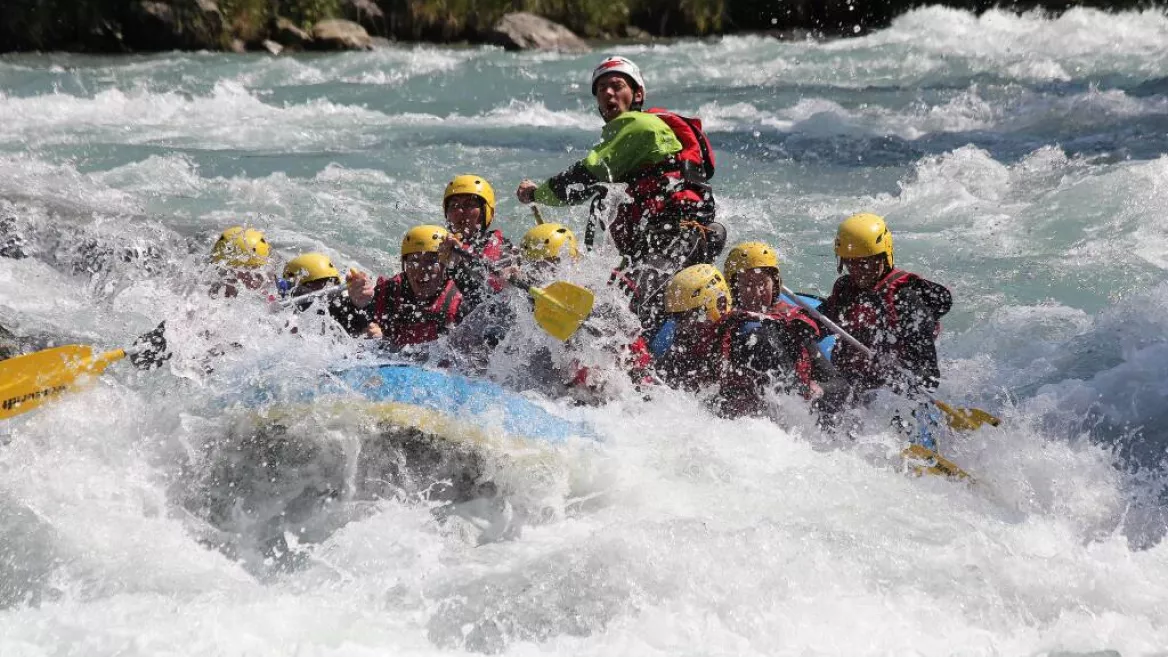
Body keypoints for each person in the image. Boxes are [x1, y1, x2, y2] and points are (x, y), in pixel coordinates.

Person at [516, 55, 723, 328]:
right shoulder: (628, 137)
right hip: (661, 242)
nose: (608, 93)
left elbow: (583, 177)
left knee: (621, 313)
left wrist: (536, 194)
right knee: (612, 299)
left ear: (637, 95)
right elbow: (585, 189)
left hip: (677, 237)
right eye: (602, 89)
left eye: (617, 86)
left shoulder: (640, 125)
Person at [817, 213, 952, 400]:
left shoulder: (905, 300)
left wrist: (905, 381)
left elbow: (927, 376)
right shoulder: (846, 288)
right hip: (850, 379)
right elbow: (823, 321)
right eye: (850, 262)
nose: (856, 270)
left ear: (883, 257)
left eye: (864, 263)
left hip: (887, 393)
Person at [722, 241, 844, 404]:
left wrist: (819, 388)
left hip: (789, 405)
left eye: (762, 283)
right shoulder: (724, 323)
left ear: (775, 285)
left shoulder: (792, 323)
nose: (756, 292)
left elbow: (840, 384)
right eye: (747, 285)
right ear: (734, 288)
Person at [345, 225, 469, 351]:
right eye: (414, 261)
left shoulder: (460, 303)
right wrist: (356, 304)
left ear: (445, 265)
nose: (421, 269)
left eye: (431, 261)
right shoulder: (389, 292)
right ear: (404, 265)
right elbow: (347, 323)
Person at [437, 175, 516, 309]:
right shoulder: (437, 246)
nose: (460, 211)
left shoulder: (504, 250)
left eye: (469, 205)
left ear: (486, 212)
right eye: (454, 205)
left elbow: (489, 302)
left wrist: (458, 263)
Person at [281, 252, 369, 337]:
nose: (325, 291)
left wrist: (360, 303)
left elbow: (361, 322)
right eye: (315, 284)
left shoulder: (338, 309)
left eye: (330, 282)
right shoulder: (282, 317)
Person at [208, 226, 273, 298]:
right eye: (245, 270)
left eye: (255, 270)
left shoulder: (272, 281)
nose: (252, 280)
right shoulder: (216, 286)